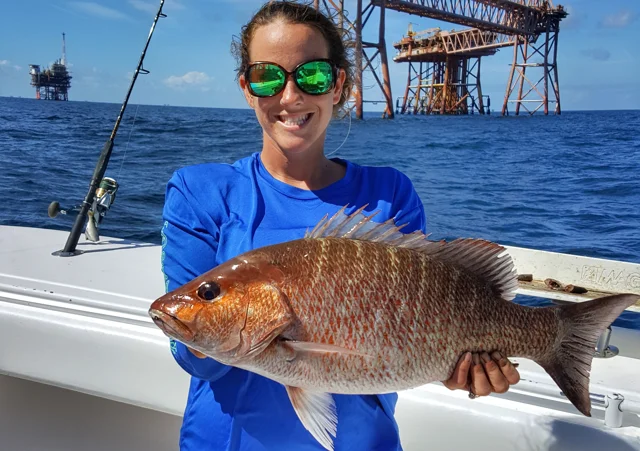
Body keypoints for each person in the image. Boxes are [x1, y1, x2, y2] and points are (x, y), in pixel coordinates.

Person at [160, 1, 520, 450]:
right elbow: (195, 361)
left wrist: (455, 369)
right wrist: (208, 333)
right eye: (268, 77)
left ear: (339, 85)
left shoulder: (390, 194)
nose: (290, 96)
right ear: (247, 87)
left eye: (312, 75)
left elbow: (416, 333)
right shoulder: (199, 191)